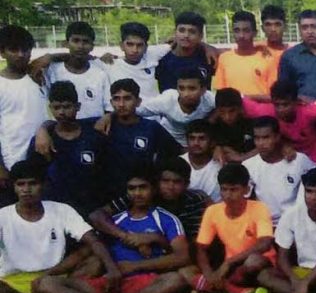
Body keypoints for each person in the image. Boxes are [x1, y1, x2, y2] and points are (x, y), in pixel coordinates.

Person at [35, 164, 189, 293]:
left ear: (154, 189)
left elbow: (183, 256)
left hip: (144, 284)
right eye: (132, 188)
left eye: (143, 188)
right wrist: (50, 273)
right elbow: (85, 251)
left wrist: (135, 266)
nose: (137, 193)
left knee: (175, 279)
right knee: (46, 283)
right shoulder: (115, 221)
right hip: (108, 281)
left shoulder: (166, 219)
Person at [0, 160, 109, 293]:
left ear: (43, 185)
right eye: (20, 184)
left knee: (94, 260)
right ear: (14, 187)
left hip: (55, 277)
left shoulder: (61, 209)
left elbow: (92, 241)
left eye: (32, 184)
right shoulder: (3, 216)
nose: (26, 190)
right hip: (15, 281)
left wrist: (112, 269)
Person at [90, 157, 211, 256]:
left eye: (177, 182)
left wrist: (155, 239)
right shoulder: (142, 195)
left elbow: (195, 245)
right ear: (157, 182)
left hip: (173, 256)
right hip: (134, 252)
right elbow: (97, 216)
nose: (170, 186)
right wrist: (126, 236)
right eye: (165, 181)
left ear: (186, 184)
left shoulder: (195, 201)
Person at [190, 163, 273, 293]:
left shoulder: (260, 208)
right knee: (187, 272)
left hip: (258, 262)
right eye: (224, 189)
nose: (228, 195)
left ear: (246, 189)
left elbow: (265, 244)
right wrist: (209, 274)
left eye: (234, 190)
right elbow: (201, 247)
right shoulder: (213, 211)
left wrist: (228, 263)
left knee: (253, 262)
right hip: (231, 268)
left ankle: (218, 288)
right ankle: (237, 290)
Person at [28, 81, 107, 218]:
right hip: (56, 211)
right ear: (50, 108)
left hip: (92, 208)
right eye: (56, 107)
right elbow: (34, 177)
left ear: (78, 106)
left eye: (67, 107)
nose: (61, 112)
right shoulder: (42, 141)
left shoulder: (94, 135)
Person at [98, 79, 182, 196]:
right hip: (108, 193)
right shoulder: (103, 126)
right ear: (111, 102)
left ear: (138, 101)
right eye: (117, 99)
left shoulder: (151, 128)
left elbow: (176, 152)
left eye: (127, 98)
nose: (121, 104)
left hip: (141, 194)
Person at [0, 26, 48, 199]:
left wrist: (50, 56)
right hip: (12, 164)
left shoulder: (39, 77)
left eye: (25, 50)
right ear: (2, 52)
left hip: (44, 159)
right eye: (13, 50)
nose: (21, 54)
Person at [242, 116, 315, 225]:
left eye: (266, 137)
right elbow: (244, 199)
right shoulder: (248, 165)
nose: (261, 143)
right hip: (264, 225)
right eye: (257, 138)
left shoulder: (299, 161)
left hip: (296, 223)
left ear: (277, 137)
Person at [243, 80, 316, 159]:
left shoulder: (311, 112)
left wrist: (310, 101)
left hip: (314, 156)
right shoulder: (266, 111)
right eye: (277, 105)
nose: (281, 109)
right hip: (284, 156)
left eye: (285, 104)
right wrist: (267, 98)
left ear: (296, 102)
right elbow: (240, 97)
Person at [44, 21, 111, 118]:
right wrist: (50, 57)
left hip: (92, 129)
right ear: (66, 43)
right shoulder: (52, 70)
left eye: (85, 42)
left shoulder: (100, 73)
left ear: (92, 46)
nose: (80, 46)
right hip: (62, 130)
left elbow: (108, 109)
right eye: (76, 41)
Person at [136, 68, 216, 147]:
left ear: (203, 90)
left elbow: (224, 106)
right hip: (169, 141)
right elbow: (137, 110)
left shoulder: (210, 99)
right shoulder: (166, 100)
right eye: (181, 88)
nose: (186, 94)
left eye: (192, 89)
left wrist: (212, 119)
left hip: (198, 143)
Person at [104, 22, 173, 102]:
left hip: (155, 112)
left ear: (146, 47)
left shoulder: (151, 55)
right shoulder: (110, 64)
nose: (135, 50)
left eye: (139, 45)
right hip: (126, 113)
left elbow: (174, 44)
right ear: (121, 45)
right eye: (130, 44)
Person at [214, 10, 277, 96]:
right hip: (233, 108)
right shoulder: (224, 58)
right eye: (237, 30)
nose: (241, 35)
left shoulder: (268, 58)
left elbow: (273, 96)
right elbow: (220, 93)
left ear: (255, 33)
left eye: (246, 30)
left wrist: (246, 98)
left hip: (260, 109)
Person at [155, 11, 213, 92]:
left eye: (192, 32)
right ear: (175, 32)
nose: (186, 35)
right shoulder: (162, 61)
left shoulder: (208, 58)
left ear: (201, 36)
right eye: (181, 30)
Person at [180, 119, 222, 202]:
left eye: (202, 138)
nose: (196, 143)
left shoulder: (221, 166)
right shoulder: (178, 163)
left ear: (212, 142)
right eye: (192, 138)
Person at [210, 88, 255, 162]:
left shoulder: (250, 123)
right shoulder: (214, 127)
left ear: (240, 108)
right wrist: (218, 148)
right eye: (222, 112)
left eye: (232, 111)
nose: (227, 117)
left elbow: (262, 146)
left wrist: (243, 157)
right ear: (217, 110)